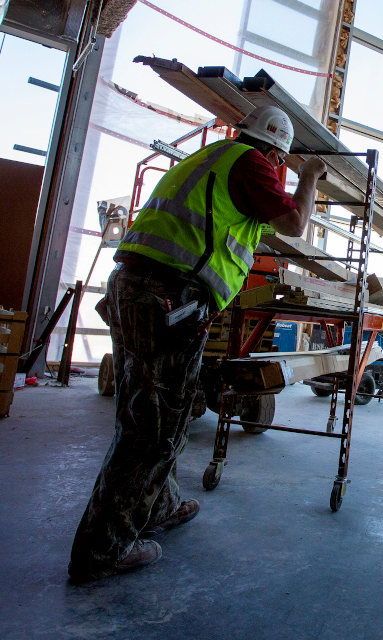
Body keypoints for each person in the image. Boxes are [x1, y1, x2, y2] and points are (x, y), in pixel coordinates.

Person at [68, 105, 327, 582]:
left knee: (154, 411)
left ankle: (158, 504)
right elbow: (294, 223)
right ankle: (101, 550)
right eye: (283, 164)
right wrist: (309, 176)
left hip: (139, 289)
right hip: (167, 299)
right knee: (152, 428)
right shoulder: (251, 162)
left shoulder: (211, 160)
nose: (280, 171)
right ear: (274, 153)